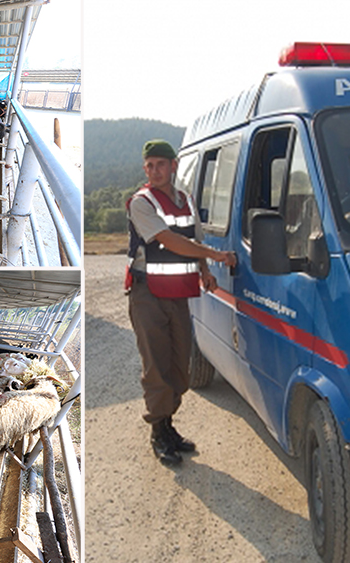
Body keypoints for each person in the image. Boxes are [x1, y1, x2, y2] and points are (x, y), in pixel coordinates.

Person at [126, 139, 237, 465]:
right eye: (149, 165)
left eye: (160, 164)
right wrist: (215, 256)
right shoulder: (141, 202)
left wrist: (204, 270)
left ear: (173, 166)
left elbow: (193, 239)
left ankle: (168, 425)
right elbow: (170, 240)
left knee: (180, 366)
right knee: (157, 365)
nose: (154, 170)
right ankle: (159, 431)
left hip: (177, 293)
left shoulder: (186, 202)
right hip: (148, 294)